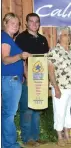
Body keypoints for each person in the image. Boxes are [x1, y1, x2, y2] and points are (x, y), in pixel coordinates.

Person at [15, 12, 49, 147]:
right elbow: (21, 61)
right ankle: (27, 138)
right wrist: (27, 77)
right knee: (27, 110)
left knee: (37, 108)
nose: (34, 24)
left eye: (37, 22)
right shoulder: (21, 38)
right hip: (28, 79)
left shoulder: (42, 39)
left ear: (39, 24)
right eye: (31, 21)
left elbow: (45, 60)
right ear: (26, 23)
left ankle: (35, 136)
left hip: (40, 80)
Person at [47, 26, 71, 147]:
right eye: (66, 34)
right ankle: (60, 137)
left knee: (69, 112)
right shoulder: (53, 51)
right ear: (59, 36)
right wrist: (55, 88)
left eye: (70, 35)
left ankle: (67, 135)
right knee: (59, 112)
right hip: (60, 87)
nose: (69, 37)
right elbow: (50, 71)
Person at [1, 12, 30, 148]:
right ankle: (10, 144)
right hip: (10, 80)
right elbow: (5, 60)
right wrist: (19, 56)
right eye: (12, 22)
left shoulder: (9, 39)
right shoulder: (5, 38)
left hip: (12, 80)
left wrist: (22, 75)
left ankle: (5, 142)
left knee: (7, 113)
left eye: (17, 24)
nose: (15, 25)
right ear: (5, 23)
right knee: (9, 114)